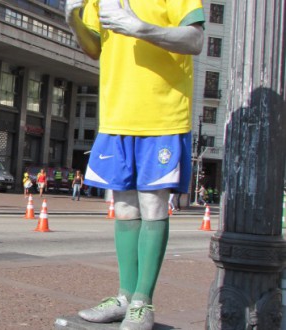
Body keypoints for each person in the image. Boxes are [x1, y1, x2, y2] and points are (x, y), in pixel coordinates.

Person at [65, 0, 204, 328]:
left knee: (152, 204)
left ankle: (143, 301)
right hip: (116, 116)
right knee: (125, 209)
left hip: (163, 115)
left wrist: (139, 28)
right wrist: (71, 17)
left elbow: (195, 40)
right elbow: (93, 48)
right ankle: (125, 296)